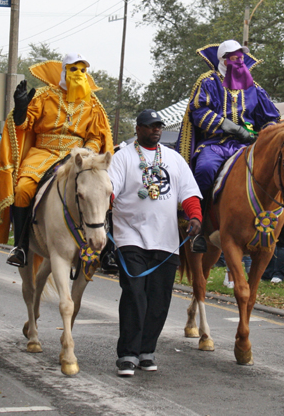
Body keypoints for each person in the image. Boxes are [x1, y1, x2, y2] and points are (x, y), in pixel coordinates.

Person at [0, 53, 114, 266]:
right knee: (23, 188)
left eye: (83, 70)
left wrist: (84, 154)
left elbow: (95, 137)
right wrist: (21, 109)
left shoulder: (93, 104)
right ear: (63, 71)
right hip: (43, 153)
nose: (79, 74)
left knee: (104, 190)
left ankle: (107, 251)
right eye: (73, 69)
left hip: (77, 158)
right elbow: (24, 125)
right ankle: (21, 247)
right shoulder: (44, 96)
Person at [109, 109, 202, 377]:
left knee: (159, 300)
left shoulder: (173, 159)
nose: (156, 130)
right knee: (135, 295)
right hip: (130, 236)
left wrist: (195, 217)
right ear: (138, 128)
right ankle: (127, 354)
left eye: (159, 126)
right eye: (150, 126)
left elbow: (189, 193)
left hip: (166, 240)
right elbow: (110, 189)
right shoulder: (123, 157)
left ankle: (146, 351)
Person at [176, 40, 280, 216]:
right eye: (234, 57)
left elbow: (271, 117)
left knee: (276, 171)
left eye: (241, 57)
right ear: (223, 60)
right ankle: (199, 220)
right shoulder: (209, 82)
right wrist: (233, 128)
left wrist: (264, 135)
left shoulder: (253, 87)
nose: (239, 61)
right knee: (205, 169)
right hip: (214, 145)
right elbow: (199, 112)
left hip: (247, 146)